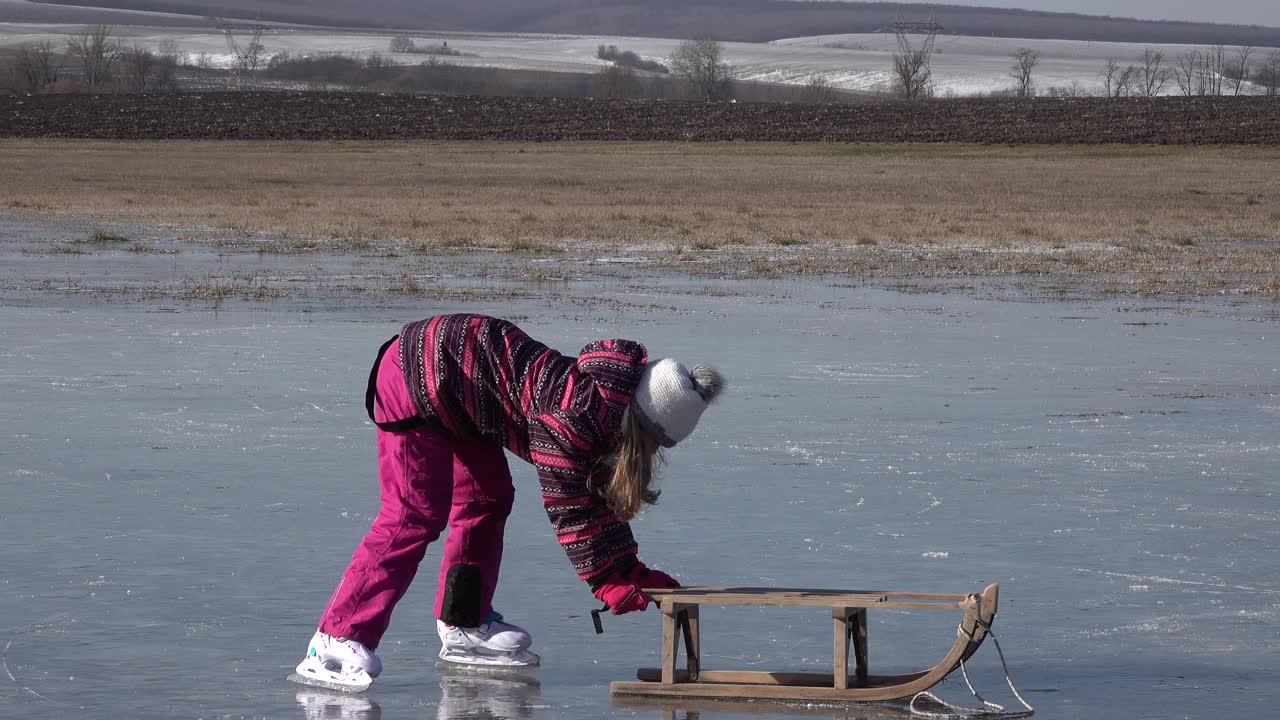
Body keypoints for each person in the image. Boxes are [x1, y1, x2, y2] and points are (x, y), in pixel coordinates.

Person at [292, 314, 723, 691]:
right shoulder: (574, 417)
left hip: (460, 394)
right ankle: (335, 637)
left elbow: (592, 498)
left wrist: (628, 569)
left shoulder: (603, 407)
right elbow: (570, 509)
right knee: (414, 513)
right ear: (640, 426)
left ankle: (464, 622)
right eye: (653, 444)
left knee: (487, 497)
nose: (651, 455)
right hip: (412, 374)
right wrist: (607, 581)